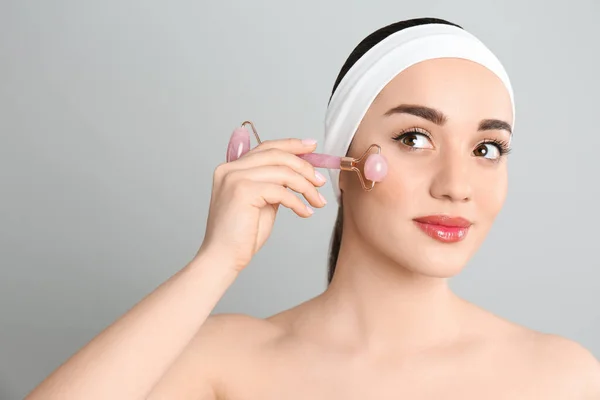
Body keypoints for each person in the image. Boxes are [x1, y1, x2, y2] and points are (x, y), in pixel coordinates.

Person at [26, 17, 600, 400]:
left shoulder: (563, 378)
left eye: (487, 149)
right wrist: (216, 262)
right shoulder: (223, 360)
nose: (458, 185)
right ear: (338, 159)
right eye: (415, 138)